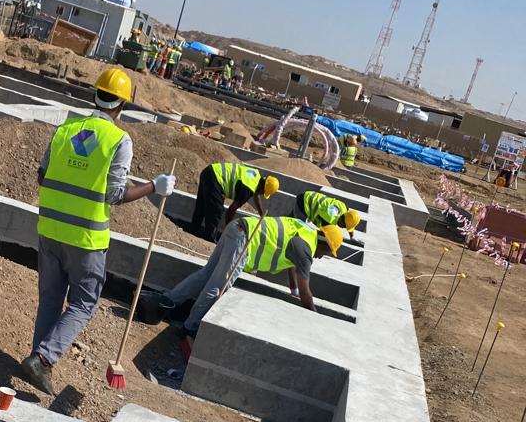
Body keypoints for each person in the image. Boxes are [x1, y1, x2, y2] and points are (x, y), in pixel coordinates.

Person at [22, 66, 176, 396]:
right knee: (83, 302)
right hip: (86, 238)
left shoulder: (65, 129)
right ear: (123, 104)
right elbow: (114, 195)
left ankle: (37, 360)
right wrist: (154, 186)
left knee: (50, 299)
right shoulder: (119, 140)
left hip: (50, 229)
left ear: (95, 95)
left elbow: (43, 176)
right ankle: (44, 358)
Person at [147, 216, 344, 342]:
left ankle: (166, 301)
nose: (322, 257)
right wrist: (314, 316)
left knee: (205, 275)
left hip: (238, 227)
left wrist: (293, 289)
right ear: (324, 243)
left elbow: (293, 266)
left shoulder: (305, 231)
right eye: (327, 252)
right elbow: (306, 293)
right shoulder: (306, 249)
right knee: (218, 287)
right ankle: (190, 327)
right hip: (244, 240)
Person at [191, 161, 279, 243]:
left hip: (209, 171)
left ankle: (193, 230)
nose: (262, 194)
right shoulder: (247, 189)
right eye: (263, 193)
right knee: (217, 210)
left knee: (201, 205)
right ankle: (209, 239)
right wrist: (228, 230)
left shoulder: (255, 176)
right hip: (215, 179)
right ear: (262, 188)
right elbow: (231, 210)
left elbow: (256, 195)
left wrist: (261, 214)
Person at [291, 189, 361, 236]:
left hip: (310, 195)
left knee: (290, 219)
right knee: (296, 230)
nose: (343, 228)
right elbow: (322, 232)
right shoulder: (329, 219)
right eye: (344, 226)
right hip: (304, 204)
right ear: (342, 221)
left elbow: (349, 218)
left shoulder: (344, 207)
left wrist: (351, 234)